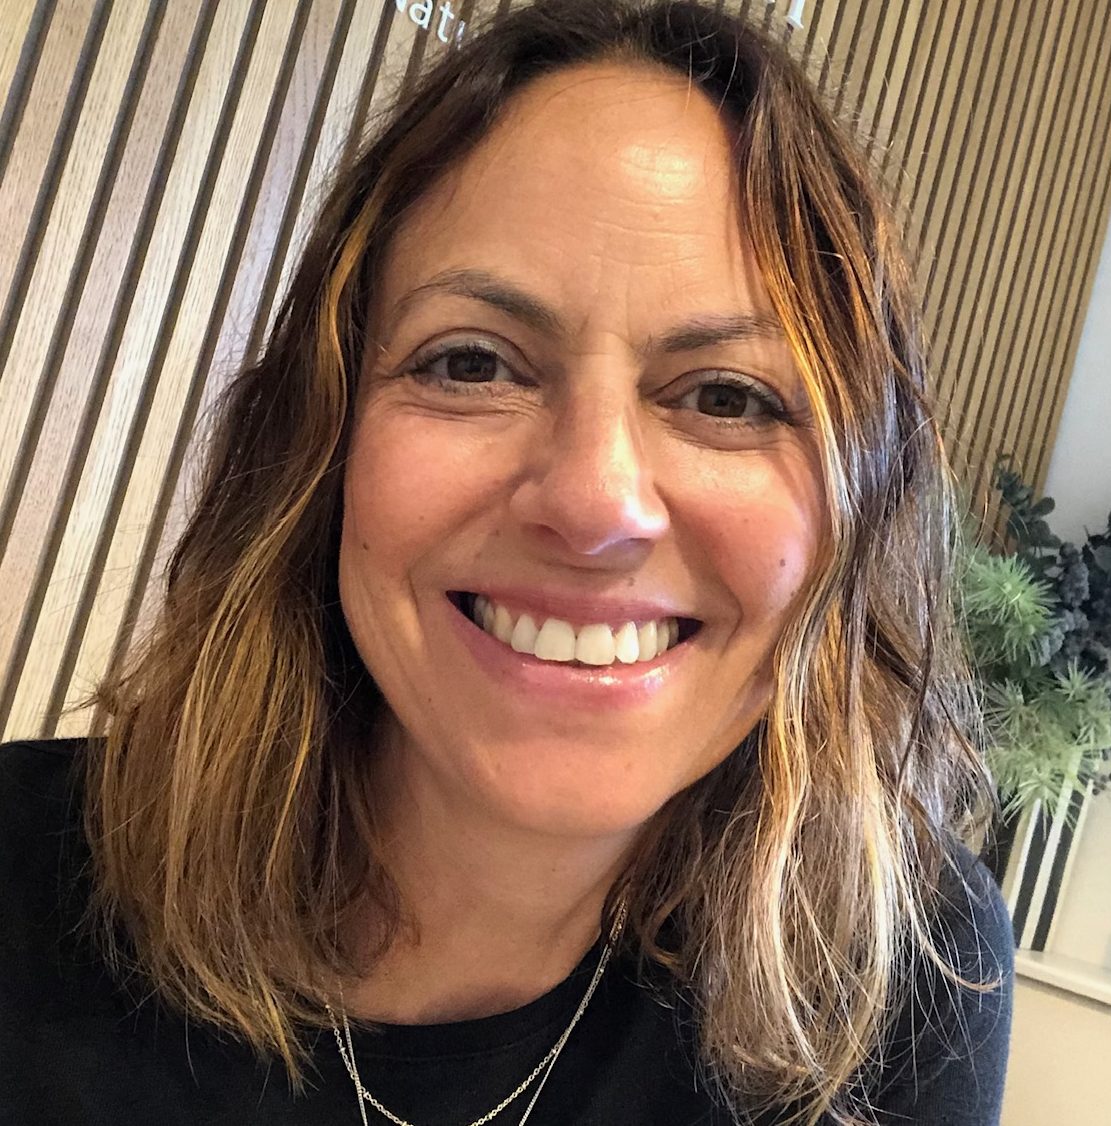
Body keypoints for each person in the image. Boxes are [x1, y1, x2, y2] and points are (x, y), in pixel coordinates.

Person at [0, 1, 1014, 1123]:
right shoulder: (22, 885)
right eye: (473, 363)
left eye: (727, 395)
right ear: (321, 443)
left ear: (853, 513)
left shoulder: (900, 976)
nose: (594, 503)